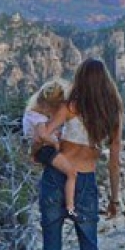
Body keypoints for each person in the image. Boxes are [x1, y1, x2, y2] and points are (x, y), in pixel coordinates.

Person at [32, 57, 122, 250]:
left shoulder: (70, 107)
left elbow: (42, 134)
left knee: (51, 246)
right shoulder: (112, 115)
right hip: (86, 182)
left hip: (55, 176)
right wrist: (114, 198)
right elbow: (114, 161)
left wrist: (54, 144)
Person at [23, 78, 79, 218]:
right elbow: (42, 136)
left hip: (42, 150)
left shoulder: (31, 114)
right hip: (45, 150)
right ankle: (70, 206)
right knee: (72, 173)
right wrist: (55, 143)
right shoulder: (39, 118)